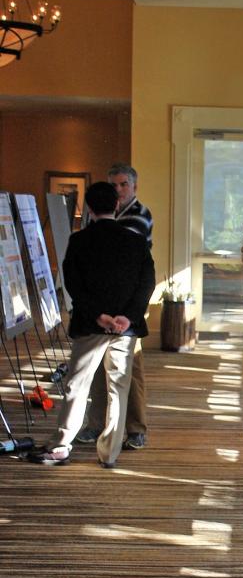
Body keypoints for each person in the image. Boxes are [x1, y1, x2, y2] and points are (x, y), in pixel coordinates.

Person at [30, 182, 155, 468]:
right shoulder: (136, 242)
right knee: (118, 389)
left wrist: (100, 315)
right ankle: (109, 454)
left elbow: (74, 284)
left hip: (91, 326)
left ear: (88, 209)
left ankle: (62, 445)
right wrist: (128, 317)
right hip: (127, 329)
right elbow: (146, 283)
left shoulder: (79, 241)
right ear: (116, 206)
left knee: (77, 385)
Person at [76, 162, 153, 449]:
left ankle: (135, 428)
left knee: (129, 368)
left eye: (124, 184)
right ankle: (95, 424)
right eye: (114, 185)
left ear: (134, 186)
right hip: (101, 309)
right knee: (97, 366)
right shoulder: (106, 214)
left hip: (127, 308)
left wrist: (126, 313)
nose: (119, 190)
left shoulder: (138, 217)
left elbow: (125, 262)